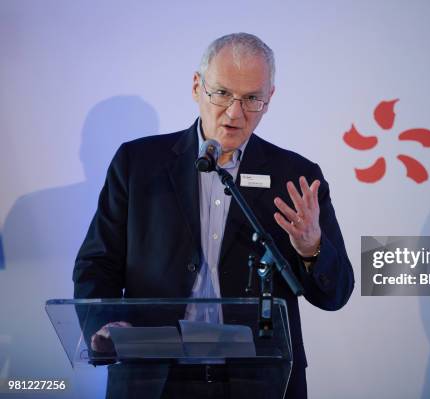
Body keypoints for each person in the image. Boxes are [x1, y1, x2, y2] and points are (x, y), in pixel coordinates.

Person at [73, 32, 354, 398]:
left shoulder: (295, 177)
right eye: (221, 93)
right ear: (196, 86)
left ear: (269, 99)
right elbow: (97, 263)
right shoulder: (138, 164)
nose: (235, 113)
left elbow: (336, 293)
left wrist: (311, 248)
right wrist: (105, 325)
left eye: (252, 98)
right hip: (154, 377)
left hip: (257, 382)